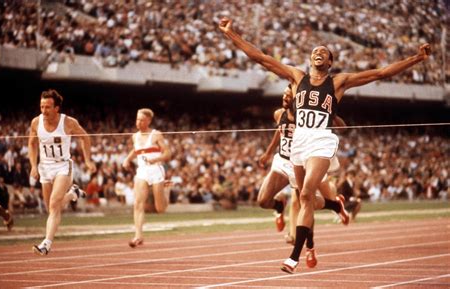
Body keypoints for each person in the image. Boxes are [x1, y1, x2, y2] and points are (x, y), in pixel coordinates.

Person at [219, 17, 431, 273]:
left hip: (321, 140)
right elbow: (261, 58)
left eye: (324, 52)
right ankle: (334, 205)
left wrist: (416, 59)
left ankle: (294, 256)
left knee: (306, 194)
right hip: (299, 142)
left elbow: (381, 73)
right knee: (303, 197)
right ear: (310, 61)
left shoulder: (339, 82)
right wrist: (231, 33)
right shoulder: (297, 77)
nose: (319, 52)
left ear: (330, 62)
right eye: (315, 51)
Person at [258, 84, 348, 269]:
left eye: (287, 95)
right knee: (262, 200)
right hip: (282, 161)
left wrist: (332, 114)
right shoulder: (278, 114)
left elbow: (341, 127)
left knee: (306, 202)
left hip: (302, 161)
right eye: (283, 94)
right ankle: (279, 205)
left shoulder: (306, 117)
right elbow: (279, 130)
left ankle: (310, 247)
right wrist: (268, 153)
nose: (284, 97)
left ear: (298, 99)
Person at [29, 89, 96, 255]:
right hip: (45, 166)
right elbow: (32, 144)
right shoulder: (36, 123)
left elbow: (85, 137)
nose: (44, 111)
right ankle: (73, 194)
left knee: (53, 203)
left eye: (48, 107)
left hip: (63, 166)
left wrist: (87, 160)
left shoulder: (68, 122)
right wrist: (33, 165)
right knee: (52, 208)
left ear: (56, 108)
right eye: (42, 107)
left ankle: (46, 244)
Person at [122, 108, 171, 248]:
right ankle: (138, 235)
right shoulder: (135, 136)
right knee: (138, 203)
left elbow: (168, 153)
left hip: (156, 170)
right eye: (137, 119)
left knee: (160, 209)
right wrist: (127, 159)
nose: (138, 122)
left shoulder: (156, 135)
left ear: (149, 121)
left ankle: (166, 190)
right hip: (142, 171)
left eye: (142, 120)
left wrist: (156, 160)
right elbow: (136, 150)